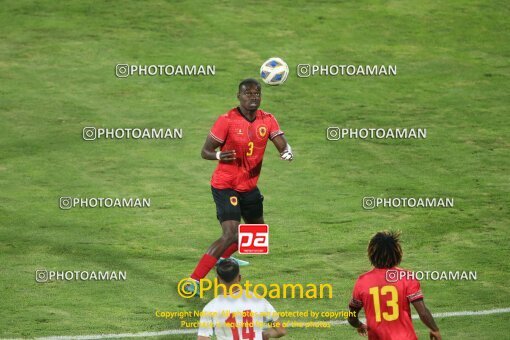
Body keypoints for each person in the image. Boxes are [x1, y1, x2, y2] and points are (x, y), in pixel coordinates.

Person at [187, 78, 293, 292]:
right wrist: (218, 154)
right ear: (239, 96)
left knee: (256, 234)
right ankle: (194, 280)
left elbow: (280, 140)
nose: (253, 97)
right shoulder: (226, 120)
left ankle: (222, 258)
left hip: (249, 187)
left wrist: (286, 151)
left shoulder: (268, 120)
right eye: (248, 93)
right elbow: (204, 151)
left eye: (256, 93)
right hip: (225, 185)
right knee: (231, 235)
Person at [348, 231, 442, 340]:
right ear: (396, 253)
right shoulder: (407, 277)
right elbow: (423, 312)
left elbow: (352, 318)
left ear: (371, 253)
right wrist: (435, 329)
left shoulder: (362, 282)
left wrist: (359, 325)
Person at [197, 259, 286, 340]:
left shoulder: (211, 307)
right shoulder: (258, 300)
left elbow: (202, 338)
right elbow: (280, 331)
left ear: (217, 280)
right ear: (239, 278)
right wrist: (265, 334)